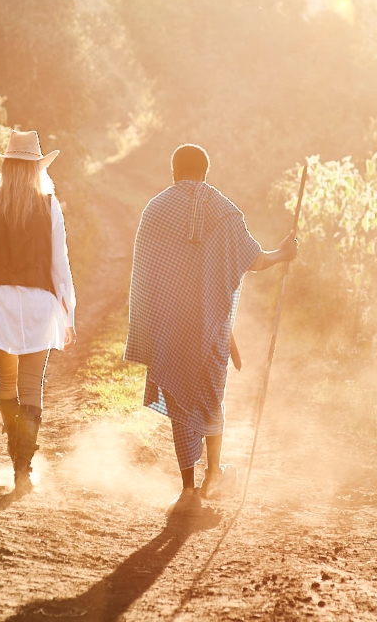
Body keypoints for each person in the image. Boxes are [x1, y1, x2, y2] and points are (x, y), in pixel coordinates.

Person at [124, 143, 298, 515]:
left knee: (180, 401)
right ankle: (214, 474)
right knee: (209, 398)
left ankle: (188, 488)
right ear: (206, 172)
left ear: (174, 172)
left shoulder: (154, 211)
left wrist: (145, 328)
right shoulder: (224, 211)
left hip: (168, 327)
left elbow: (143, 277)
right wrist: (284, 253)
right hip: (212, 329)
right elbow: (255, 260)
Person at [0, 129, 76, 491]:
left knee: (7, 382)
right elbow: (60, 264)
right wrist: (69, 312)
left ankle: (16, 455)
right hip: (39, 303)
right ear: (38, 167)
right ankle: (22, 471)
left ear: (6, 165)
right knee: (30, 385)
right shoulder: (50, 204)